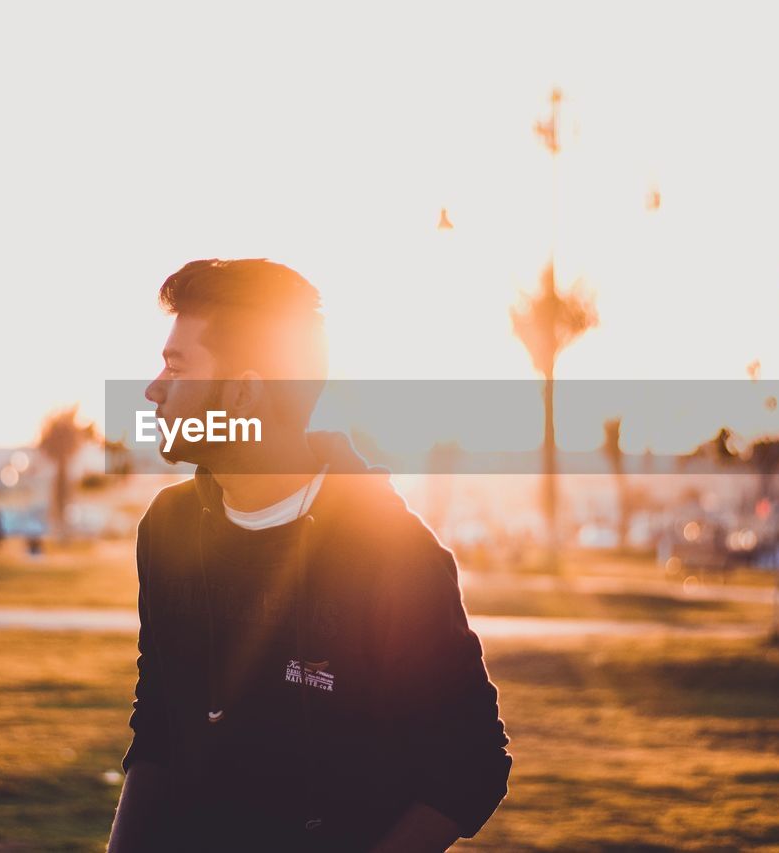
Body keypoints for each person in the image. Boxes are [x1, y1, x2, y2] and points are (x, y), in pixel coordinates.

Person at [106, 259, 512, 852]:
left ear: (244, 392)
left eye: (177, 364)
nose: (153, 388)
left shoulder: (393, 554)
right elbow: (159, 726)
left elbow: (471, 764)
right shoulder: (166, 531)